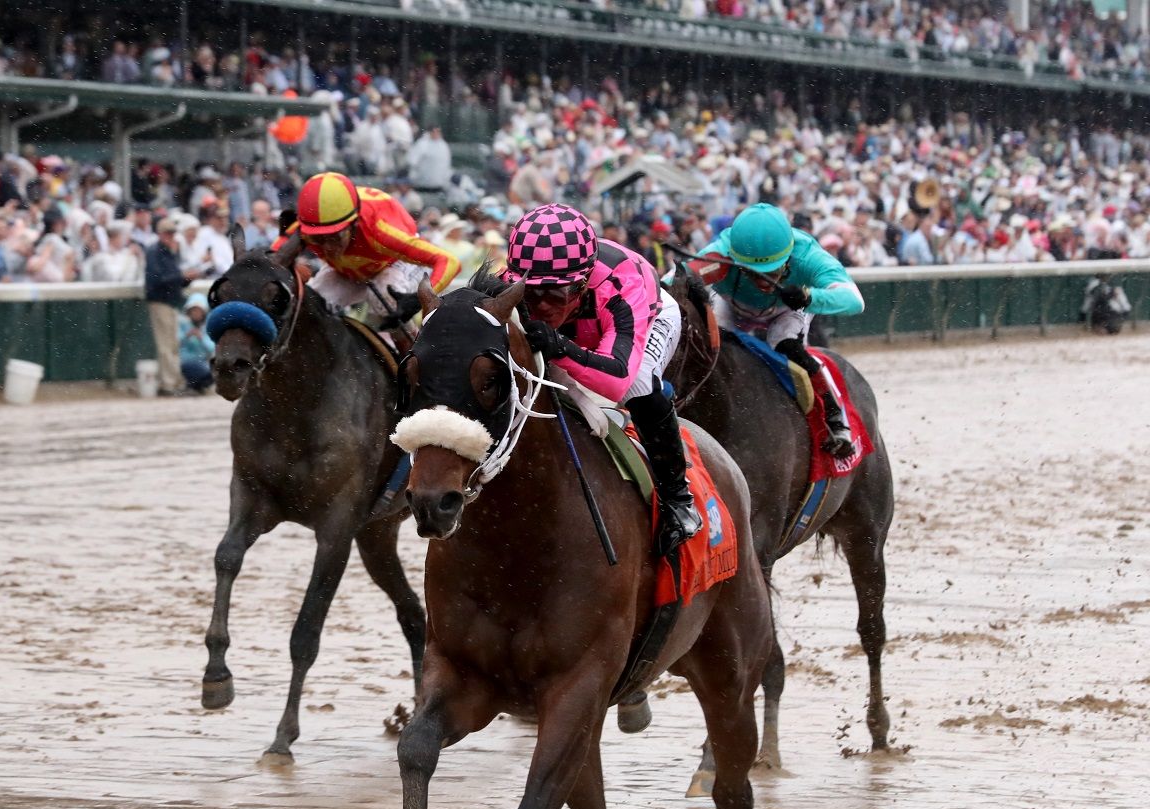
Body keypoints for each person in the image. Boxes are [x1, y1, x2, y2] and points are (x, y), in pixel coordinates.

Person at [503, 203, 702, 554]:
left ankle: (678, 498)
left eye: (556, 294)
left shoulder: (620, 285)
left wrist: (562, 348)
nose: (542, 307)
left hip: (650, 318)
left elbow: (616, 380)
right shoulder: (513, 282)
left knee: (641, 386)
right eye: (531, 293)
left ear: (581, 283)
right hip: (579, 328)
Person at [691, 202, 864, 458]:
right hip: (730, 305)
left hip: (788, 309)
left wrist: (808, 296)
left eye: (771, 270)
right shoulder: (719, 252)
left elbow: (854, 301)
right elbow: (672, 281)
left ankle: (836, 418)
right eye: (751, 271)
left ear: (789, 256)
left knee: (785, 345)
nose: (762, 280)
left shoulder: (807, 255)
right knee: (713, 348)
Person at [279, 171, 461, 332]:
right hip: (348, 271)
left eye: (334, 237)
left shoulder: (380, 231)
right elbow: (270, 263)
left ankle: (410, 356)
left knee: (385, 300)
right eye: (318, 238)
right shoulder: (302, 230)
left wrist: (418, 299)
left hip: (391, 263)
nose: (328, 247)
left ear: (354, 223)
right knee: (306, 306)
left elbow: (450, 262)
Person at [145, 217, 196, 396]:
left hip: (170, 301)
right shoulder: (154, 251)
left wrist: (186, 279)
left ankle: (174, 382)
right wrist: (181, 276)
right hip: (160, 301)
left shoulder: (170, 252)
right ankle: (168, 384)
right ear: (160, 234)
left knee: (172, 344)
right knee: (166, 345)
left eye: (173, 233)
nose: (171, 236)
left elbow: (173, 280)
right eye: (168, 233)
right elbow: (156, 280)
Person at [178, 293, 215, 392]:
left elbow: (211, 348)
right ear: (188, 311)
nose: (196, 313)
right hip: (185, 362)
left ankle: (198, 387)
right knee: (196, 368)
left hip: (203, 362)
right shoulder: (182, 324)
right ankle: (192, 385)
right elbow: (175, 344)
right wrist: (187, 336)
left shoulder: (207, 326)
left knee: (213, 372)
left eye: (199, 310)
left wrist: (201, 338)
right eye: (193, 310)